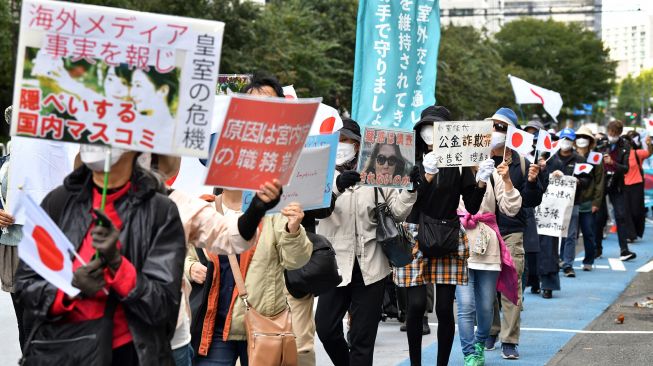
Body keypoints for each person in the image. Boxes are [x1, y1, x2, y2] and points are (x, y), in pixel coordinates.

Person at [16, 146, 186, 365]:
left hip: (130, 354)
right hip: (62, 353)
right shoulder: (58, 202)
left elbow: (163, 306)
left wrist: (118, 265)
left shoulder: (161, 212)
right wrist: (69, 289)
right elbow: (26, 284)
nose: (96, 139)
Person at [146, 154, 282, 366]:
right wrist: (190, 268)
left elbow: (232, 237)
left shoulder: (181, 204)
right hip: (113, 330)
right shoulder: (91, 198)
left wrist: (256, 209)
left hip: (173, 333)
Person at [315, 118, 418, 366]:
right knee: (326, 328)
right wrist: (338, 187)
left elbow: (398, 211)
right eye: (338, 140)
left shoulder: (377, 172)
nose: (343, 146)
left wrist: (411, 188)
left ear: (359, 145)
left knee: (363, 339)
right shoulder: (321, 171)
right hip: (334, 265)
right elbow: (316, 210)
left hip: (371, 265)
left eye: (348, 141)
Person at [395, 105, 488, 366]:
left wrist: (480, 180)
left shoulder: (458, 163)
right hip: (414, 233)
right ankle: (415, 363)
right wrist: (425, 174)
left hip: (447, 233)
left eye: (435, 127)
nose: (429, 132)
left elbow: (470, 205)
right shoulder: (409, 160)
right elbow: (408, 201)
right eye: (426, 127)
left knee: (445, 308)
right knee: (414, 306)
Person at [485, 108, 544, 360]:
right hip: (483, 232)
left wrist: (532, 182)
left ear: (511, 133)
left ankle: (510, 339)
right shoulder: (478, 157)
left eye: (501, 127)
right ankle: (490, 330)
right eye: (493, 125)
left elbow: (531, 201)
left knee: (511, 286)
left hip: (512, 232)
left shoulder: (521, 162)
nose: (495, 131)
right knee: (487, 287)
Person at [456, 150, 522, 366]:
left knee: (486, 305)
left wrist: (506, 179)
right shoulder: (454, 170)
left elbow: (511, 208)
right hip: (459, 243)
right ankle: (469, 353)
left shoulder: (493, 173)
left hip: (488, 245)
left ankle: (480, 342)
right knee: (466, 305)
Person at [604, 121, 636, 261]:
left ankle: (624, 249)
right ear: (608, 131)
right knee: (599, 218)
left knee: (621, 216)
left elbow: (626, 168)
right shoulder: (601, 142)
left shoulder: (625, 145)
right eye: (611, 133)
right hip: (601, 183)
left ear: (620, 133)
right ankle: (596, 249)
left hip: (617, 184)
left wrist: (613, 163)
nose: (612, 136)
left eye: (615, 134)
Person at [574, 126, 604, 271]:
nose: (581, 140)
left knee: (588, 232)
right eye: (579, 136)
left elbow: (600, 181)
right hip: (570, 201)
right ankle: (566, 261)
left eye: (585, 137)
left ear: (590, 141)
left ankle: (589, 260)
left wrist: (596, 202)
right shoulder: (571, 155)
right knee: (569, 235)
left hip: (588, 201)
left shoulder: (595, 157)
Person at [623, 131, 652, 241]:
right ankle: (630, 235)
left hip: (637, 185)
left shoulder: (637, 153)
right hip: (624, 185)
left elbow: (649, 153)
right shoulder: (619, 156)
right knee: (626, 211)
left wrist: (649, 143)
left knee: (636, 211)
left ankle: (636, 231)